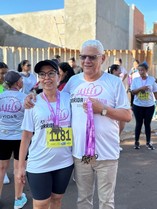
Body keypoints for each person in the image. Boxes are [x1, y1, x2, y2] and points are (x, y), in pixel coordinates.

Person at [23, 40, 132, 209]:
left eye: (92, 57)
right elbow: (53, 97)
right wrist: (32, 95)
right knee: (83, 200)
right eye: (83, 56)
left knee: (106, 202)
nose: (87, 61)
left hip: (107, 154)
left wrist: (103, 109)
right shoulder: (73, 81)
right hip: (80, 154)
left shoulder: (114, 82)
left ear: (102, 58)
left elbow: (127, 115)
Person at [17, 60, 74, 209]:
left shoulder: (69, 99)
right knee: (41, 204)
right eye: (42, 74)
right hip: (39, 162)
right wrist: (20, 166)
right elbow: (26, 136)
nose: (46, 78)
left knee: (57, 199)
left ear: (59, 77)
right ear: (39, 79)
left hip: (64, 161)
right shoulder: (33, 102)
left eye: (51, 73)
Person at [0, 71, 27, 209]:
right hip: (20, 139)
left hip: (2, 137)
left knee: (1, 168)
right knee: (19, 168)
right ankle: (18, 198)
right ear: (18, 82)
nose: (22, 82)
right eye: (21, 79)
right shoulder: (25, 97)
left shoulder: (0, 96)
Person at [131, 62, 157, 150]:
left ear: (146, 70)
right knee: (139, 123)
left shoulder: (151, 79)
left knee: (147, 124)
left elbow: (155, 91)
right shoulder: (135, 80)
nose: (141, 72)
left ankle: (148, 142)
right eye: (139, 70)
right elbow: (133, 92)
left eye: (142, 70)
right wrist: (140, 89)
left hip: (149, 105)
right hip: (138, 105)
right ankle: (136, 142)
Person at [108, 64, 126, 151]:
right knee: (116, 127)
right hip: (113, 107)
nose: (121, 72)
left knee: (120, 126)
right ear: (114, 71)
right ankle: (114, 145)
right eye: (119, 70)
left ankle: (115, 144)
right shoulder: (110, 80)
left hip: (118, 107)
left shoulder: (118, 80)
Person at [0, 62, 10, 184]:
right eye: (2, 73)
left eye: (6, 73)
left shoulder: (7, 87)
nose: (4, 76)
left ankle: (4, 172)